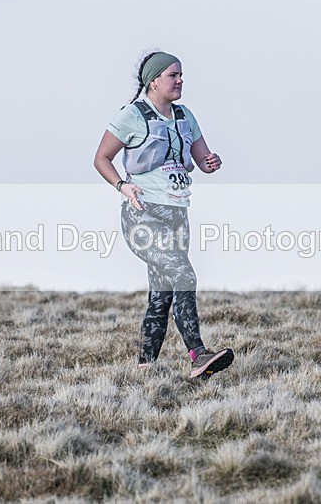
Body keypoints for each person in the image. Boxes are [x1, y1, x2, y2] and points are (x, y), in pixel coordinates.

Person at [93, 51, 234, 379]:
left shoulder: (186, 116)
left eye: (181, 74)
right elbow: (101, 158)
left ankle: (145, 366)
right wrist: (121, 186)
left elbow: (202, 160)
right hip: (143, 215)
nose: (180, 80)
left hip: (177, 217)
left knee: (163, 292)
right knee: (184, 275)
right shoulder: (132, 116)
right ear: (153, 81)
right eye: (173, 75)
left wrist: (212, 163)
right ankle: (198, 355)